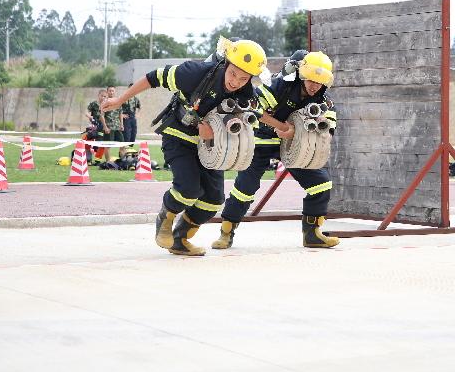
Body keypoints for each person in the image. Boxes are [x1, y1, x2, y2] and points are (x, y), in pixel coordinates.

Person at [102, 38, 267, 256]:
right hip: (178, 136)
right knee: (188, 188)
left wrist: (282, 127)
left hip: (208, 147)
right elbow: (153, 78)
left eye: (243, 78)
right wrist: (120, 100)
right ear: (226, 64)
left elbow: (259, 112)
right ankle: (165, 218)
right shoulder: (196, 72)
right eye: (233, 74)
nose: (235, 82)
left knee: (213, 199)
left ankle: (180, 239)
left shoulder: (245, 92)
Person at [211, 50, 339, 249]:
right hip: (263, 138)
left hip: (295, 145)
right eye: (311, 80)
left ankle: (312, 234)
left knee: (321, 184)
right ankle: (226, 232)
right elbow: (255, 109)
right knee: (246, 187)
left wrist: (314, 131)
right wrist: (282, 127)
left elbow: (329, 127)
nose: (315, 86)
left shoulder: (323, 98)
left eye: (320, 82)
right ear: (302, 74)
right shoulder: (281, 85)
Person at [86, 89, 108, 162]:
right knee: (88, 139)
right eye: (102, 96)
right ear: (98, 96)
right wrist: (89, 116)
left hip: (102, 126)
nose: (103, 98)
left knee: (100, 142)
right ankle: (88, 158)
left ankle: (97, 159)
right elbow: (87, 112)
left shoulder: (107, 104)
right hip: (94, 125)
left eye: (105, 96)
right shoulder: (93, 104)